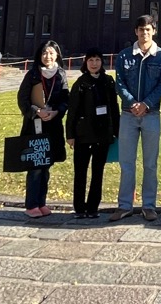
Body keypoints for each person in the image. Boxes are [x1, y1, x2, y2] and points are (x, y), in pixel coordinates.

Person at [111, 14, 161, 222]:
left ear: (154, 31)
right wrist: (132, 102)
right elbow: (119, 83)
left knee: (150, 164)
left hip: (151, 114)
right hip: (128, 115)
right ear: (136, 31)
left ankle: (149, 205)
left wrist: (145, 104)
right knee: (127, 163)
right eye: (141, 29)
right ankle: (125, 205)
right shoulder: (125, 55)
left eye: (148, 29)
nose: (144, 33)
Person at [16, 39, 69, 218]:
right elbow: (22, 99)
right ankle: (31, 205)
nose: (48, 56)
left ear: (57, 55)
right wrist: (36, 111)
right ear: (40, 55)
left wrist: (56, 112)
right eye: (45, 53)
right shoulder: (32, 75)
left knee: (46, 165)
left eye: (51, 53)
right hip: (35, 126)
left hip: (52, 126)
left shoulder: (61, 74)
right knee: (35, 166)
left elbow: (65, 99)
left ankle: (42, 202)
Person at [65, 47, 119, 218]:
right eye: (90, 60)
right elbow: (72, 110)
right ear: (85, 62)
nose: (94, 63)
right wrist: (70, 135)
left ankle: (93, 207)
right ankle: (80, 208)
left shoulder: (108, 81)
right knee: (80, 172)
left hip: (102, 134)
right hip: (83, 134)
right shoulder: (80, 83)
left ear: (102, 62)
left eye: (97, 60)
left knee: (98, 172)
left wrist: (116, 131)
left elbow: (114, 108)